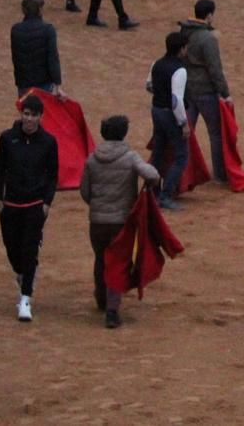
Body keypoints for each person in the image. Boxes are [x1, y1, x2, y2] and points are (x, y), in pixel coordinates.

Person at [79, 114, 160, 327]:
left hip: (97, 220)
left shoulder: (92, 159)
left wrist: (97, 205)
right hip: (120, 221)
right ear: (123, 133)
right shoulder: (130, 157)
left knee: (100, 258)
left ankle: (101, 299)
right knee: (118, 263)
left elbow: (85, 191)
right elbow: (152, 175)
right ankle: (112, 311)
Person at [0, 92, 58, 323]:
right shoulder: (7, 138)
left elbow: (53, 175)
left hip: (34, 205)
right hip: (10, 203)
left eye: (33, 115)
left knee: (29, 249)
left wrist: (47, 203)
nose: (28, 119)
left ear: (41, 117)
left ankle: (25, 298)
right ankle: (24, 275)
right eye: (25, 114)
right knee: (13, 249)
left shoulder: (49, 142)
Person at [181, 0, 230, 183]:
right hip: (205, 91)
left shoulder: (185, 31)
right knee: (215, 134)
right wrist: (225, 93)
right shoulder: (208, 39)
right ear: (209, 15)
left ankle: (183, 174)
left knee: (186, 132)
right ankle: (219, 174)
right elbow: (214, 69)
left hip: (187, 89)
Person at [147, 31, 190, 211]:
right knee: (181, 156)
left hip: (156, 110)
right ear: (181, 50)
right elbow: (176, 100)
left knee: (158, 152)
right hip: (170, 115)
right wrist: (183, 123)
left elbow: (149, 86)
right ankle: (165, 196)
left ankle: (153, 192)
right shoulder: (180, 70)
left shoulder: (156, 63)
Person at [9, 0, 63, 98]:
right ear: (40, 10)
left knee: (26, 112)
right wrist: (57, 84)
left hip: (23, 83)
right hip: (43, 84)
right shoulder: (48, 30)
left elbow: (16, 58)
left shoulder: (15, 29)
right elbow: (53, 59)